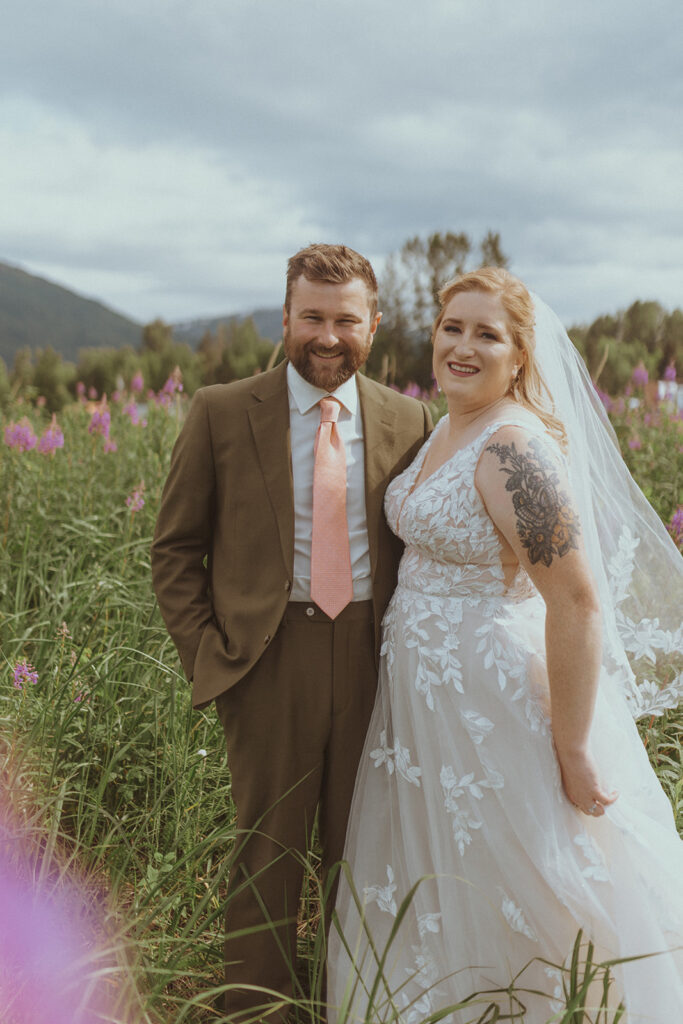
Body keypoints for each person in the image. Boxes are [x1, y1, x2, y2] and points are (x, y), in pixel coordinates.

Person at [329, 268, 683, 1022]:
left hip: (491, 699)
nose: (462, 345)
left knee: (523, 877)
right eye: (451, 327)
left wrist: (573, 745)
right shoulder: (446, 427)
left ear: (520, 356)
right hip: (423, 707)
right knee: (440, 877)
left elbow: (577, 601)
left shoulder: (512, 449)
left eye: (486, 334)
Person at [151, 243, 432, 1021]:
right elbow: (174, 550)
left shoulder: (409, 418)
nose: (327, 335)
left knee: (365, 847)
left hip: (376, 657)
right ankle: (253, 1009)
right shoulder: (220, 410)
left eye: (346, 319)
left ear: (373, 325)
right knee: (266, 853)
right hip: (267, 659)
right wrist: (211, 656)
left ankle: (353, 1003)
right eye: (311, 316)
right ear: (285, 318)